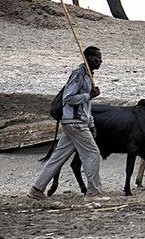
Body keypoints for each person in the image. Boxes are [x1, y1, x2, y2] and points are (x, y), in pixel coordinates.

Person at [27, 45, 108, 202]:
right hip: (76, 123)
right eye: (98, 58)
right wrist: (88, 95)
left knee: (58, 157)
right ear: (90, 58)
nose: (101, 61)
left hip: (74, 123)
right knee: (92, 154)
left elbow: (86, 106)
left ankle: (36, 189)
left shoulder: (88, 76)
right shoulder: (78, 75)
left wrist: (91, 123)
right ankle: (93, 192)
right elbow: (68, 98)